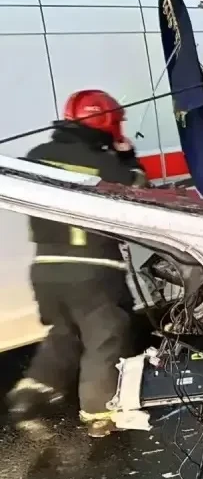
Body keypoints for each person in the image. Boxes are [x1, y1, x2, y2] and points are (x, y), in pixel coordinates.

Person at [5, 90, 147, 439]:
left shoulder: (37, 156)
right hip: (93, 270)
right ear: (107, 122)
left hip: (46, 270)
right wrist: (128, 158)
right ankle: (101, 414)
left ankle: (30, 395)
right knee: (106, 335)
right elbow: (139, 191)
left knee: (65, 333)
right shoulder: (106, 164)